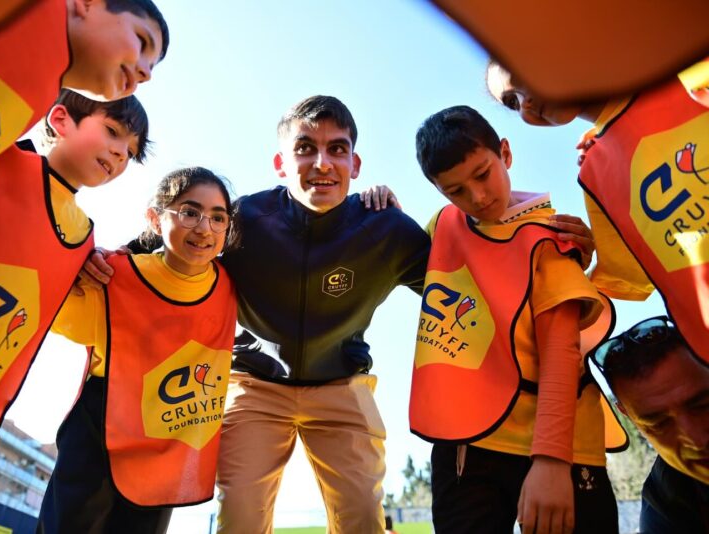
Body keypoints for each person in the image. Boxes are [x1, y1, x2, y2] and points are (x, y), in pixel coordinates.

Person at [84, 95, 596, 532]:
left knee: (360, 517)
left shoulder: (388, 230)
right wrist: (108, 257)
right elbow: (177, 240)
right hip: (255, 387)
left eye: (337, 149)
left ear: (356, 164)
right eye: (305, 149)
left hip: (344, 388)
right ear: (282, 164)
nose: (322, 163)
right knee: (238, 512)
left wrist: (547, 243)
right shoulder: (243, 221)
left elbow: (471, 278)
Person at [0, 89, 149, 506]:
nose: (119, 154)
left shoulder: (81, 236)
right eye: (112, 131)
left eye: (130, 152)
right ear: (59, 119)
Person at [412, 105, 618, 533]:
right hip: (467, 443)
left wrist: (551, 462)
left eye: (483, 174)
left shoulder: (550, 239)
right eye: (456, 191)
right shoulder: (442, 227)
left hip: (559, 446)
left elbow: (561, 354)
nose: (478, 197)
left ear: (505, 153)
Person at [37, 167, 238, 533]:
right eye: (190, 212)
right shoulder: (113, 275)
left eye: (217, 217)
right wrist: (77, 264)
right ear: (154, 218)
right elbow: (46, 300)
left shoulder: (233, 285)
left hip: (170, 439)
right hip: (100, 428)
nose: (204, 227)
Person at [485, 59, 709, 366]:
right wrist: (567, 269)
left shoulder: (685, 76)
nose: (527, 103)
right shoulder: (596, 170)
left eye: (526, 74)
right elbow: (629, 276)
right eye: (513, 101)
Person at [0, 0, 169, 233]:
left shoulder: (36, 97)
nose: (147, 74)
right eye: (142, 41)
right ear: (87, 3)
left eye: (152, 66)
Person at [593, 316, 709, 533]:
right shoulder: (666, 498)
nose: (696, 440)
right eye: (660, 424)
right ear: (628, 417)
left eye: (702, 405)